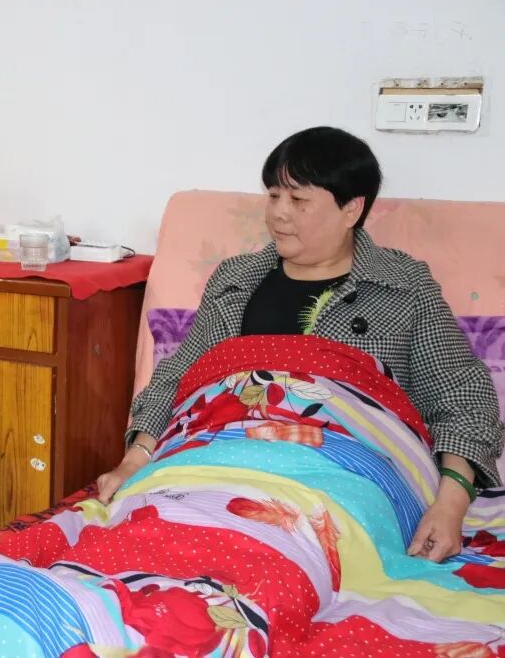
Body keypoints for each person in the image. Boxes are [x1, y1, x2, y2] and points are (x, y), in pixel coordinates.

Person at [98, 126, 504, 564]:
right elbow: (179, 379)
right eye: (273, 195)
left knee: (283, 549)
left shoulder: (403, 287)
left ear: (351, 209)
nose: (278, 213)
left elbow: (463, 398)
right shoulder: (234, 281)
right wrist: (135, 459)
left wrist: (449, 506)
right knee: (147, 535)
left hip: (342, 477)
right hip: (220, 458)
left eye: (298, 200)